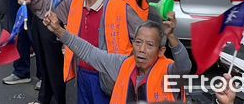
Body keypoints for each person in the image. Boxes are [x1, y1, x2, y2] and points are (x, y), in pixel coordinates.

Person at [19, 0, 151, 104]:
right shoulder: (74, 0)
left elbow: (146, 35)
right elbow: (49, 0)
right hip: (82, 73)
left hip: (110, 77)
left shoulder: (120, 8)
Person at [42, 12, 192, 102]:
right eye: (138, 42)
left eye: (150, 45)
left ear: (161, 51)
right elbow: (89, 52)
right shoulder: (124, 65)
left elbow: (185, 67)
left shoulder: (169, 72)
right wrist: (59, 31)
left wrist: (171, 36)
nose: (142, 49)